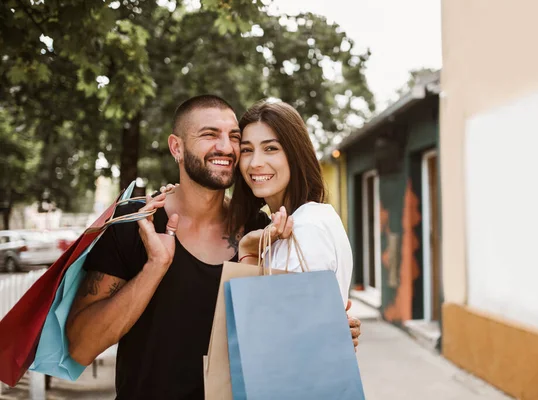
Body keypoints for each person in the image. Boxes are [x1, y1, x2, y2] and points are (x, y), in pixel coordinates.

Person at [65, 95, 361, 400]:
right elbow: (81, 347)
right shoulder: (137, 224)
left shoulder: (264, 232)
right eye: (209, 134)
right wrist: (155, 267)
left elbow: (286, 346)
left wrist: (329, 330)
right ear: (176, 147)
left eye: (234, 138)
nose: (226, 147)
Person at [229, 100, 353, 306]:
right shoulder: (305, 220)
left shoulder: (305, 228)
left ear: (296, 155)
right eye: (247, 150)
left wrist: (248, 254)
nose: (255, 162)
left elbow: (281, 331)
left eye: (270, 148)